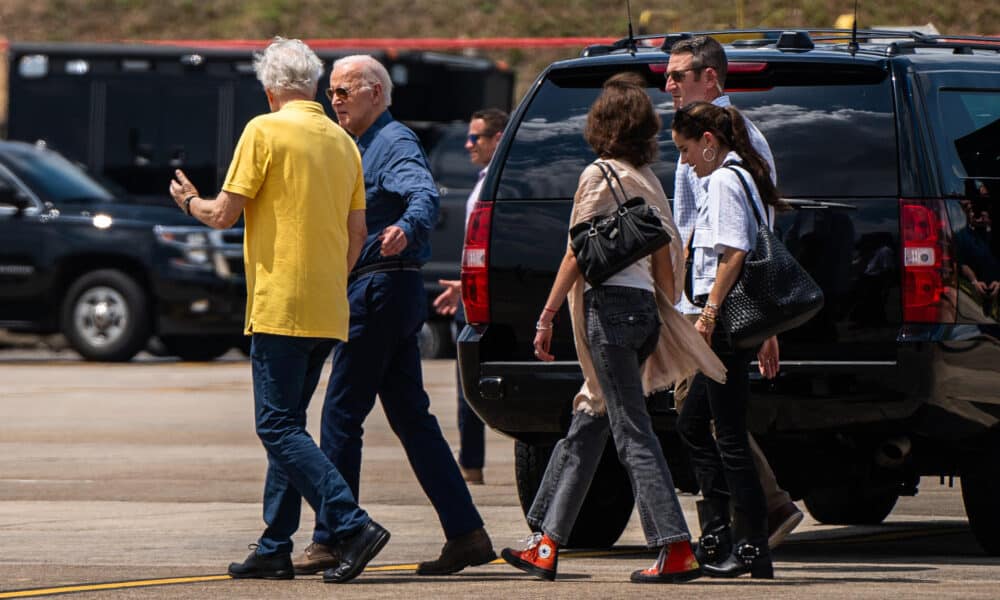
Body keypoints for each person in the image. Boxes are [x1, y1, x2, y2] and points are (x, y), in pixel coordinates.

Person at [167, 37, 387, 585]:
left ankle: (349, 523)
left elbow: (222, 215)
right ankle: (274, 544)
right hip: (327, 303)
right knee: (291, 426)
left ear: (270, 89)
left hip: (281, 302)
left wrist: (189, 201)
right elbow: (357, 233)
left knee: (277, 425)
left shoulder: (263, 131)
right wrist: (331, 279)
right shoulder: (343, 142)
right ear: (312, 86)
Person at [500, 72, 726, 583]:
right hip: (643, 310)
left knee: (631, 433)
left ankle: (674, 547)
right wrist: (658, 311)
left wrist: (548, 313)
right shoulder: (647, 179)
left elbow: (577, 252)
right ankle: (547, 541)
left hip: (610, 312)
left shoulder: (598, 174)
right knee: (589, 423)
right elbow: (671, 255)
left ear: (600, 126)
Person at [292, 54, 496, 577]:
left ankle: (336, 535)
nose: (333, 99)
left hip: (380, 289)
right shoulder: (359, 145)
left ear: (376, 93)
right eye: (331, 91)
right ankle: (466, 533)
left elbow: (423, 193)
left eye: (344, 91)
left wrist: (407, 223)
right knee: (412, 419)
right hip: (392, 291)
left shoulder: (393, 142)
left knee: (340, 416)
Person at [663, 35, 803, 555]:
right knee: (705, 416)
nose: (668, 83)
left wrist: (755, 320)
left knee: (702, 418)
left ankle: (743, 523)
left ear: (711, 79)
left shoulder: (732, 143)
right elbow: (686, 229)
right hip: (694, 300)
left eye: (679, 75)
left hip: (715, 305)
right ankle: (754, 517)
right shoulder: (693, 138)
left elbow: (749, 236)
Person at [671, 100, 786, 578]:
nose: (684, 161)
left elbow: (735, 251)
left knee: (730, 434)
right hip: (732, 323)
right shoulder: (741, 175)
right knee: (694, 423)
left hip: (721, 325)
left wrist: (710, 314)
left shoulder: (721, 180)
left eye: (686, 150)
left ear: (709, 142)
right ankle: (718, 532)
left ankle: (752, 544)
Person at [433, 108, 509, 485]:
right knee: (466, 386)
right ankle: (471, 465)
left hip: (486, 296)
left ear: (498, 139)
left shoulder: (500, 186)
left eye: (476, 137)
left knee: (476, 384)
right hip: (473, 292)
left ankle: (472, 466)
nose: (468, 144)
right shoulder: (483, 182)